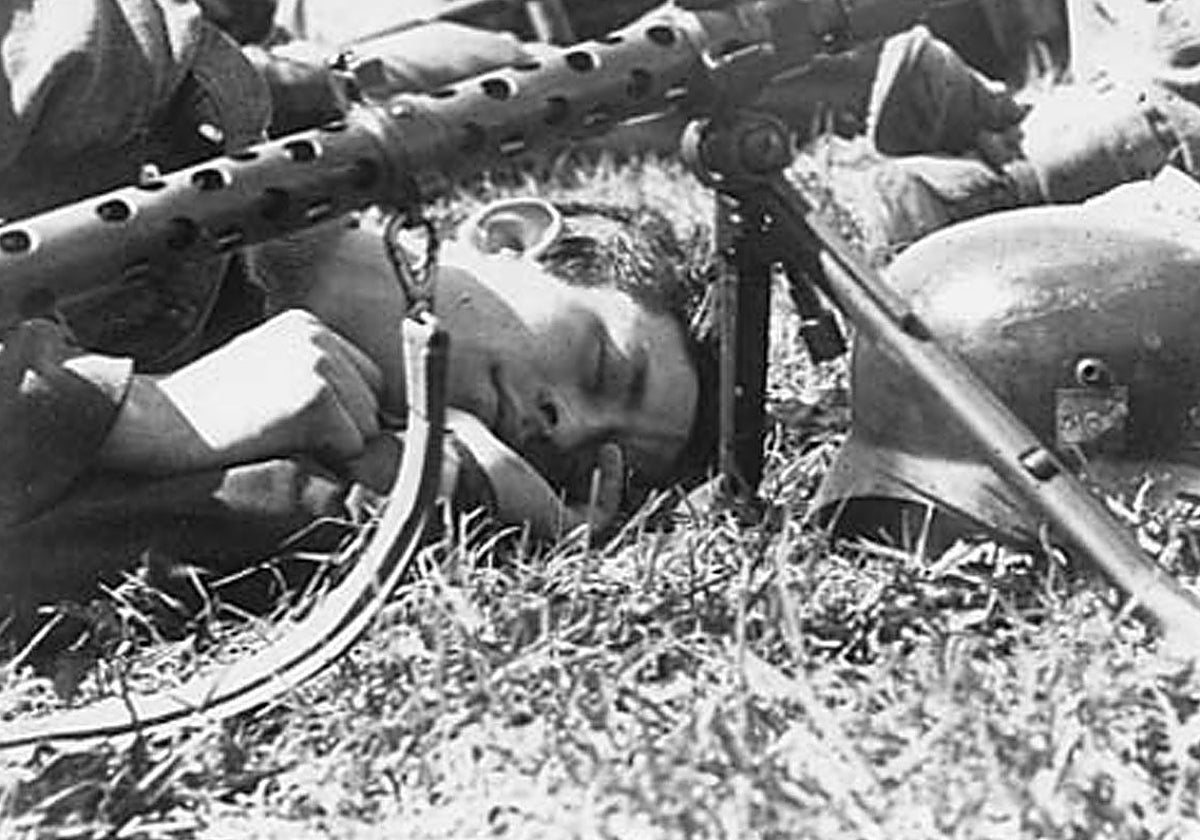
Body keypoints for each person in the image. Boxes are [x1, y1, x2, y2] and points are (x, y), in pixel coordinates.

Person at [0, 0, 715, 620]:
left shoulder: (268, 452)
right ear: (509, 235)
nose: (563, 430)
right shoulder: (132, 74)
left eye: (581, 465)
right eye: (600, 367)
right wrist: (137, 413)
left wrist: (440, 494)